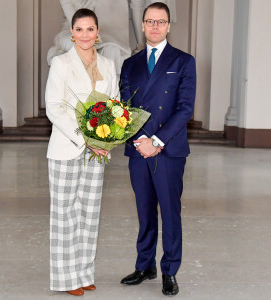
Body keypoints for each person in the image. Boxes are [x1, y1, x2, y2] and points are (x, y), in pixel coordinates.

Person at [119, 2, 196, 297]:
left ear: (168, 26)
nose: (154, 27)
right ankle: (145, 265)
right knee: (144, 211)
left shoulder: (184, 61)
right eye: (150, 21)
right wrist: (140, 140)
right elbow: (124, 107)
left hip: (168, 149)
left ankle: (170, 271)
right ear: (142, 25)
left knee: (170, 211)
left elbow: (184, 108)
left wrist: (157, 142)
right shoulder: (130, 63)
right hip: (139, 149)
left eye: (160, 22)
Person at [45, 8, 118, 296]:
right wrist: (83, 137)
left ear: (97, 32)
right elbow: (55, 107)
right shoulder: (60, 64)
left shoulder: (109, 65)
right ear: (71, 33)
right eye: (80, 29)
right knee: (65, 215)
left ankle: (83, 272)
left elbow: (114, 105)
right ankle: (66, 280)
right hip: (66, 148)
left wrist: (104, 137)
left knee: (89, 214)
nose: (85, 34)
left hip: (97, 151)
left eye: (90, 29)